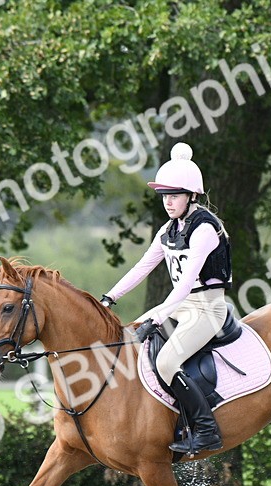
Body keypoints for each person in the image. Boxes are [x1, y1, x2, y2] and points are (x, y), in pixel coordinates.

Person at [100, 143, 232, 455]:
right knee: (132, 346)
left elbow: (185, 285)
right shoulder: (169, 229)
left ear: (192, 196)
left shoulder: (205, 229)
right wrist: (108, 298)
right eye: (164, 195)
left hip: (208, 308)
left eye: (174, 195)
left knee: (167, 360)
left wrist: (156, 316)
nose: (168, 201)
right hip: (182, 307)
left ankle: (206, 430)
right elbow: (142, 267)